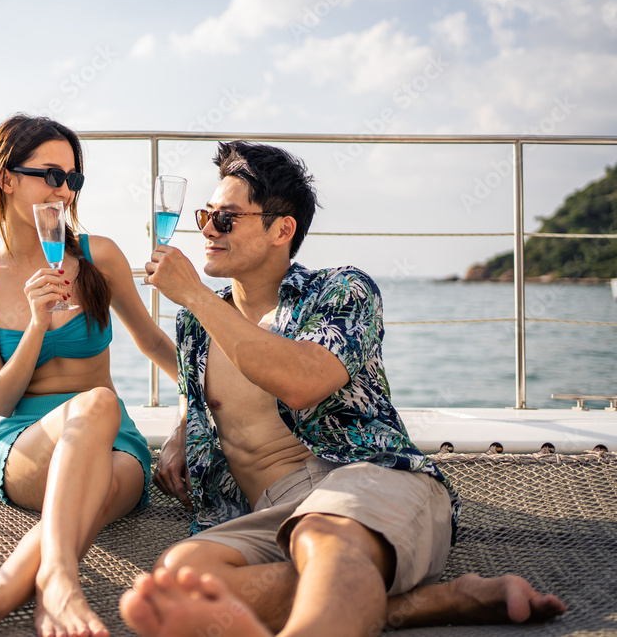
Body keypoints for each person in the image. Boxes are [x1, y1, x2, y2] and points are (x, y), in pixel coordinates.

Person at [120, 140, 567, 637]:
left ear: (281, 230)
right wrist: (184, 428)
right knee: (179, 579)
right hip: (270, 511)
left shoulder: (341, 291)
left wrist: (197, 295)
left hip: (364, 477)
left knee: (322, 530)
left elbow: (301, 383)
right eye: (205, 215)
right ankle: (435, 601)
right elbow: (199, 393)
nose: (206, 229)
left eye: (226, 219)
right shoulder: (195, 327)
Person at [0, 114, 177, 637]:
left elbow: (153, 342)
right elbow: (0, 398)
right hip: (28, 443)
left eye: (73, 178)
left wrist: (217, 396)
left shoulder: (99, 256)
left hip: (116, 447)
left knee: (103, 439)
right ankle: (59, 582)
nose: (63, 190)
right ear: (7, 177)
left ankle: (3, 590)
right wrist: (36, 326)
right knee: (98, 403)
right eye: (50, 174)